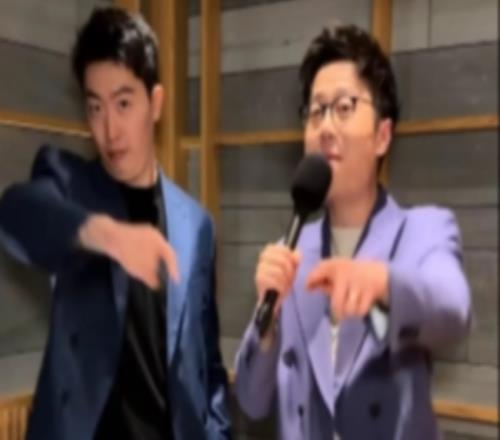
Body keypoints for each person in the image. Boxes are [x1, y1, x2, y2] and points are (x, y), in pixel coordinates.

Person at [0, 7, 230, 440]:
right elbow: (15, 212)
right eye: (95, 107)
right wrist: (104, 234)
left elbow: (208, 364)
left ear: (155, 103)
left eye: (124, 104)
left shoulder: (196, 225)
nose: (109, 130)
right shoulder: (70, 185)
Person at [234, 24, 471, 440]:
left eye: (344, 107)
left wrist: (381, 284)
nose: (325, 127)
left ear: (382, 136)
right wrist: (265, 326)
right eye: (316, 111)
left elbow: (453, 309)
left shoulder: (422, 231)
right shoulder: (292, 252)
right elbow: (252, 401)